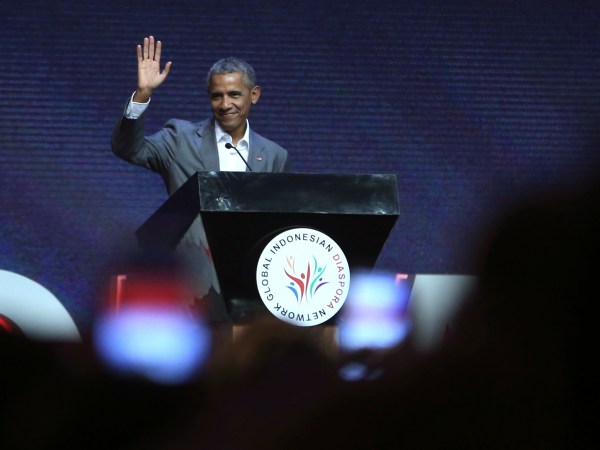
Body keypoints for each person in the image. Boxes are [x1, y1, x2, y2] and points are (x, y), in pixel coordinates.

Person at [112, 36, 289, 323]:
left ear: (254, 95)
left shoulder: (274, 155)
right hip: (190, 287)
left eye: (235, 94)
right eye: (216, 96)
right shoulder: (180, 138)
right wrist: (142, 94)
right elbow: (128, 149)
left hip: (250, 287)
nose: (225, 104)